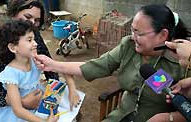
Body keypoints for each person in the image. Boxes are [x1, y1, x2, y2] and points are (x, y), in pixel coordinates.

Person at [34, 4, 191, 122]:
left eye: (139, 33)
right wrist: (53, 64)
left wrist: (169, 118)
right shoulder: (128, 46)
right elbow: (96, 66)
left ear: (163, 35)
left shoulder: (184, 60)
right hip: (121, 116)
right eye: (132, 30)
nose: (133, 36)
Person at [0, 0, 58, 121]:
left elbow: (50, 67)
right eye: (27, 16)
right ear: (14, 14)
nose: (32, 23)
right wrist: (19, 102)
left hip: (34, 103)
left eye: (37, 20)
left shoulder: (34, 36)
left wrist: (54, 96)